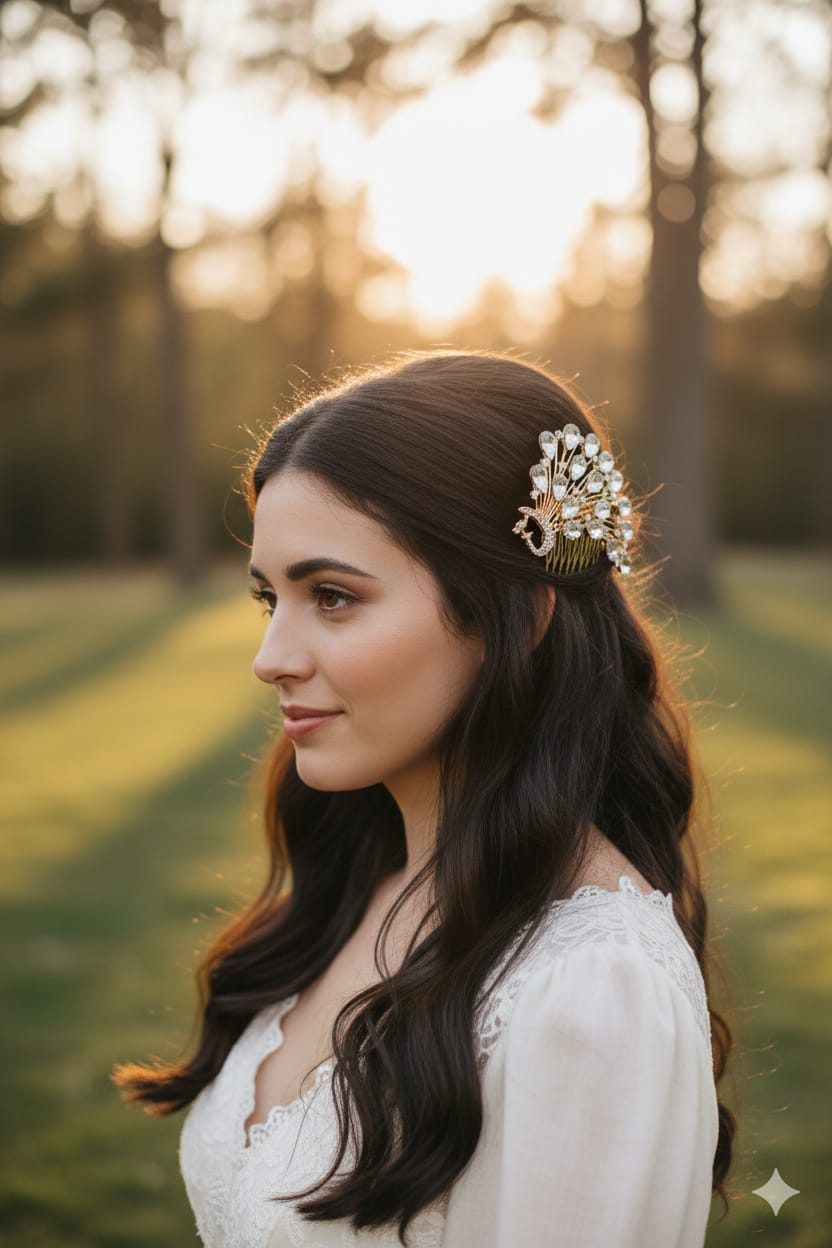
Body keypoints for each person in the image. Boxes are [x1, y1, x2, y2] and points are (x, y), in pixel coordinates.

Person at [112, 350, 737, 1247]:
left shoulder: (590, 990)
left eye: (332, 596)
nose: (272, 657)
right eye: (269, 599)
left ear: (518, 616)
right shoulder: (355, 891)